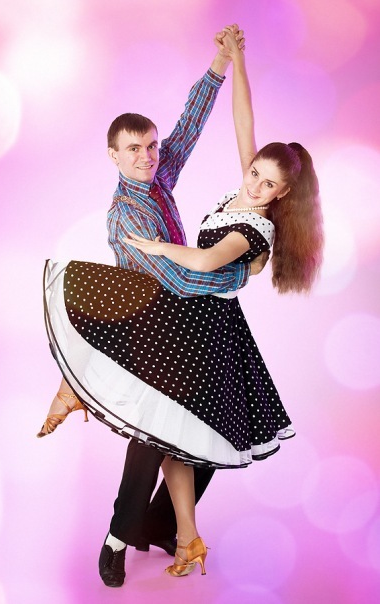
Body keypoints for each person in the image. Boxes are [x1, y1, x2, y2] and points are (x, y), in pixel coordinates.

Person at [38, 25, 268, 588]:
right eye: (133, 149)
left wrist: (219, 64)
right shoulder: (126, 214)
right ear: (113, 155)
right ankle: (117, 539)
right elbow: (179, 278)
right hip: (153, 325)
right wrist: (242, 270)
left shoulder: (160, 174)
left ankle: (164, 525)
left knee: (211, 428)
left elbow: (188, 126)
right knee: (152, 439)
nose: (145, 156)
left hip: (188, 321)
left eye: (150, 146)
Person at [120, 25, 324, 577]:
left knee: (182, 436)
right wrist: (236, 60)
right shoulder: (245, 189)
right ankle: (178, 534)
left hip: (209, 331)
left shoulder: (256, 226)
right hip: (194, 319)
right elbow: (243, 121)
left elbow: (209, 261)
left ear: (282, 194)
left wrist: (157, 247)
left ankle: (184, 536)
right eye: (254, 173)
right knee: (180, 436)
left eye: (267, 185)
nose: (254, 185)